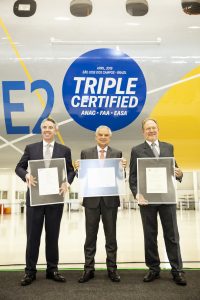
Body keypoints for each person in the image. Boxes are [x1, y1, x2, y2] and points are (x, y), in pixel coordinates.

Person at [15, 117, 75, 286]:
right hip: (35, 199)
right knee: (32, 236)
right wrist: (26, 175)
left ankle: (52, 269)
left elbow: (71, 171)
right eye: (44, 127)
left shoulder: (64, 150)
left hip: (55, 199)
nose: (47, 130)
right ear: (41, 130)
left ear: (56, 130)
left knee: (52, 236)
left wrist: (67, 182)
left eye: (50, 127)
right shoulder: (31, 148)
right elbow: (19, 167)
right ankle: (30, 271)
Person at [129, 118, 187, 286]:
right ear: (143, 132)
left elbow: (173, 168)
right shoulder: (137, 150)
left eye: (154, 128)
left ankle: (177, 270)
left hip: (167, 198)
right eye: (148, 128)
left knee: (172, 235)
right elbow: (133, 177)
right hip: (147, 200)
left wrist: (180, 174)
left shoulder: (168, 147)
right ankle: (153, 269)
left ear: (158, 129)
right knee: (150, 236)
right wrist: (136, 194)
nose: (151, 131)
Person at [75, 125, 126, 283]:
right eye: (100, 135)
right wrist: (77, 169)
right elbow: (82, 176)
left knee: (111, 237)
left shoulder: (117, 154)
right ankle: (88, 270)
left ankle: (112, 270)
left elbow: (119, 177)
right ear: (95, 136)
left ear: (109, 137)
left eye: (106, 135)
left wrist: (123, 168)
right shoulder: (86, 153)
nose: (103, 137)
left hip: (110, 201)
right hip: (91, 201)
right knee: (90, 237)